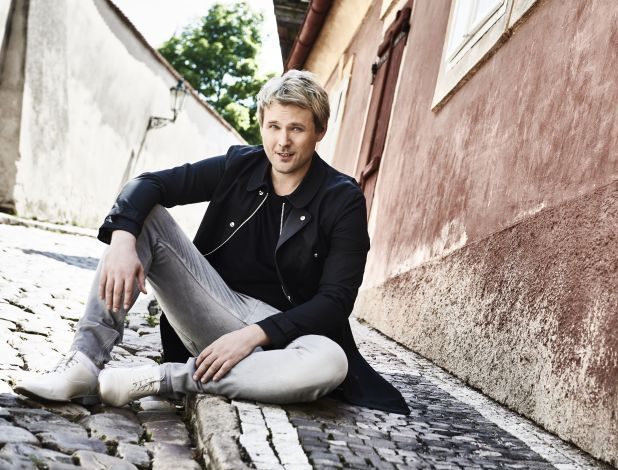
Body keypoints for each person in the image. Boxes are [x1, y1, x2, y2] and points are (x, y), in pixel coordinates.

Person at [15, 70, 409, 415]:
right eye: (273, 126)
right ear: (261, 125)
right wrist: (121, 240)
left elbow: (336, 301)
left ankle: (165, 379)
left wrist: (254, 334)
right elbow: (149, 183)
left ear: (319, 131)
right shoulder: (239, 166)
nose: (282, 141)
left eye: (296, 129)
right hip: (217, 310)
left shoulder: (342, 199)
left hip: (286, 338)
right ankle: (83, 363)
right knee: (146, 217)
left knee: (331, 362)